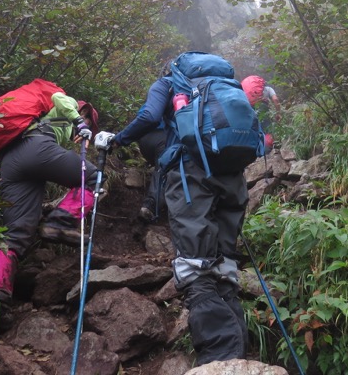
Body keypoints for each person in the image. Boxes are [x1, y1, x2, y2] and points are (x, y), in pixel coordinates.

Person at [105, 60, 250, 365]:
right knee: (225, 266)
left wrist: (117, 139)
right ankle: (237, 356)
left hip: (191, 172)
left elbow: (148, 116)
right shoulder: (222, 87)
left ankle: (217, 359)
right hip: (232, 174)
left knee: (196, 266)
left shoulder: (169, 83)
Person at [0, 91, 100, 335]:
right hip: (38, 147)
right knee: (95, 178)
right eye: (89, 121)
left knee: (13, 237)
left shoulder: (38, 123)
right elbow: (58, 97)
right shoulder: (71, 105)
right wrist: (80, 121)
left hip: (12, 162)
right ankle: (61, 222)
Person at [136, 116, 166, 222]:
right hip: (163, 138)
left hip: (143, 138)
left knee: (160, 166)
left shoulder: (156, 100)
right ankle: (150, 206)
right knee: (162, 170)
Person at [241, 75, 281, 152]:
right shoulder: (268, 89)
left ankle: (255, 151)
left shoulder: (249, 94)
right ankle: (268, 150)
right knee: (267, 131)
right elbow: (276, 100)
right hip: (265, 113)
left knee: (256, 132)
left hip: (251, 114)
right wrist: (278, 113)